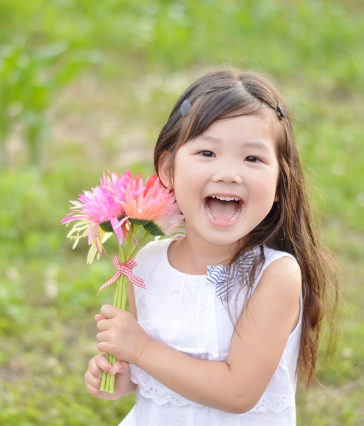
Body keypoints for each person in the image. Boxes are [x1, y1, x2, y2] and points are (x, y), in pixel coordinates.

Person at [84, 69, 338, 425]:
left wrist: (140, 348)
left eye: (252, 159)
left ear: (280, 182)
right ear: (168, 169)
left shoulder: (274, 275)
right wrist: (124, 375)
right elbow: (161, 374)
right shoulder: (147, 262)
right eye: (207, 152)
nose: (229, 173)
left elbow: (238, 392)